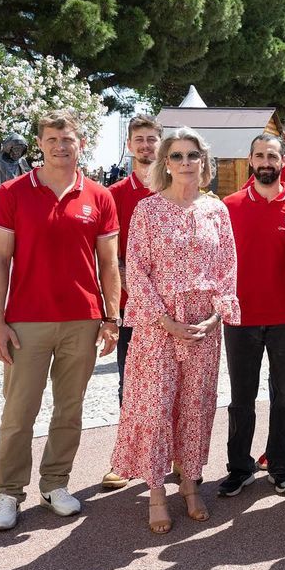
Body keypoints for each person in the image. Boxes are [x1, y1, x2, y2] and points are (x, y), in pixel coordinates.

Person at [0, 109, 120, 531]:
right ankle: (9, 492)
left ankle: (55, 483)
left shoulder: (99, 196)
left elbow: (109, 265)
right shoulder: (12, 192)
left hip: (83, 319)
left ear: (81, 144)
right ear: (40, 144)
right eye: (52, 139)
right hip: (26, 321)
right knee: (19, 412)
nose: (61, 146)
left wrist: (111, 317)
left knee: (70, 409)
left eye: (68, 139)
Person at [111, 127, 238, 533]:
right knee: (157, 408)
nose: (186, 163)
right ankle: (156, 492)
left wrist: (216, 315)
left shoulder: (216, 210)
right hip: (157, 328)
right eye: (178, 156)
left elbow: (228, 267)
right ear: (166, 163)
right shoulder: (148, 210)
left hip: (204, 327)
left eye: (193, 155)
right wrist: (164, 320)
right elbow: (137, 270)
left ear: (204, 162)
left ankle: (190, 482)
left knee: (196, 408)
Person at [219, 133, 285, 497]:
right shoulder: (229, 205)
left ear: (283, 160)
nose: (266, 162)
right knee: (241, 397)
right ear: (250, 161)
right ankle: (239, 467)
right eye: (260, 156)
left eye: (273, 155)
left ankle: (281, 464)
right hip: (241, 318)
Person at [98, 114, 161, 489]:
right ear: (129, 145)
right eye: (139, 139)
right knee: (131, 383)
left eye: (152, 139)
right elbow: (109, 258)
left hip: (174, 309)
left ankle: (171, 453)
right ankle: (128, 456)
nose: (146, 146)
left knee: (176, 383)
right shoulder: (115, 195)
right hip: (131, 307)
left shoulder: (179, 191)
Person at [0, 133, 30, 202]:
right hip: (4, 197)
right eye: (16, 149)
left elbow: (28, 177)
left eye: (21, 149)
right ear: (9, 148)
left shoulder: (21, 161)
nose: (19, 152)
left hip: (19, 196)